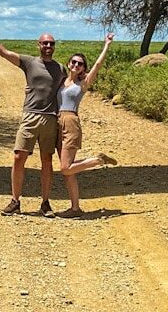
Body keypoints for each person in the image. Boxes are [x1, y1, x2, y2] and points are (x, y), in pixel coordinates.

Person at [0, 20, 66, 216]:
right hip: (30, 116)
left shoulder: (60, 68)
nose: (48, 46)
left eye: (51, 43)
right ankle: (15, 201)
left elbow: (69, 87)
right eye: (45, 43)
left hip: (50, 119)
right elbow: (5, 53)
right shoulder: (29, 62)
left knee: (47, 161)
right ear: (38, 45)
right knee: (18, 157)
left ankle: (45, 203)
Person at [55, 33, 118, 218]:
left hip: (71, 122)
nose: (76, 65)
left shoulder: (83, 83)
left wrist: (107, 44)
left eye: (80, 63)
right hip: (57, 122)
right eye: (73, 62)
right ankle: (75, 208)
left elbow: (98, 65)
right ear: (68, 64)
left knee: (65, 168)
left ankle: (98, 160)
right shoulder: (63, 81)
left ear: (84, 68)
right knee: (69, 171)